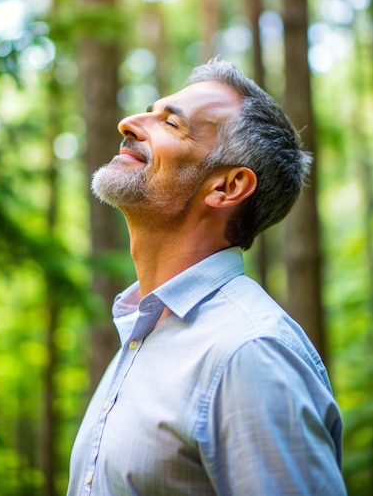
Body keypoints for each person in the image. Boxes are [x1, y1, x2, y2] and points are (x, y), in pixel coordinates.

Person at [67, 59, 346, 495]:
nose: (129, 122)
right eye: (150, 110)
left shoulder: (249, 353)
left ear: (226, 187)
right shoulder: (146, 327)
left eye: (171, 123)